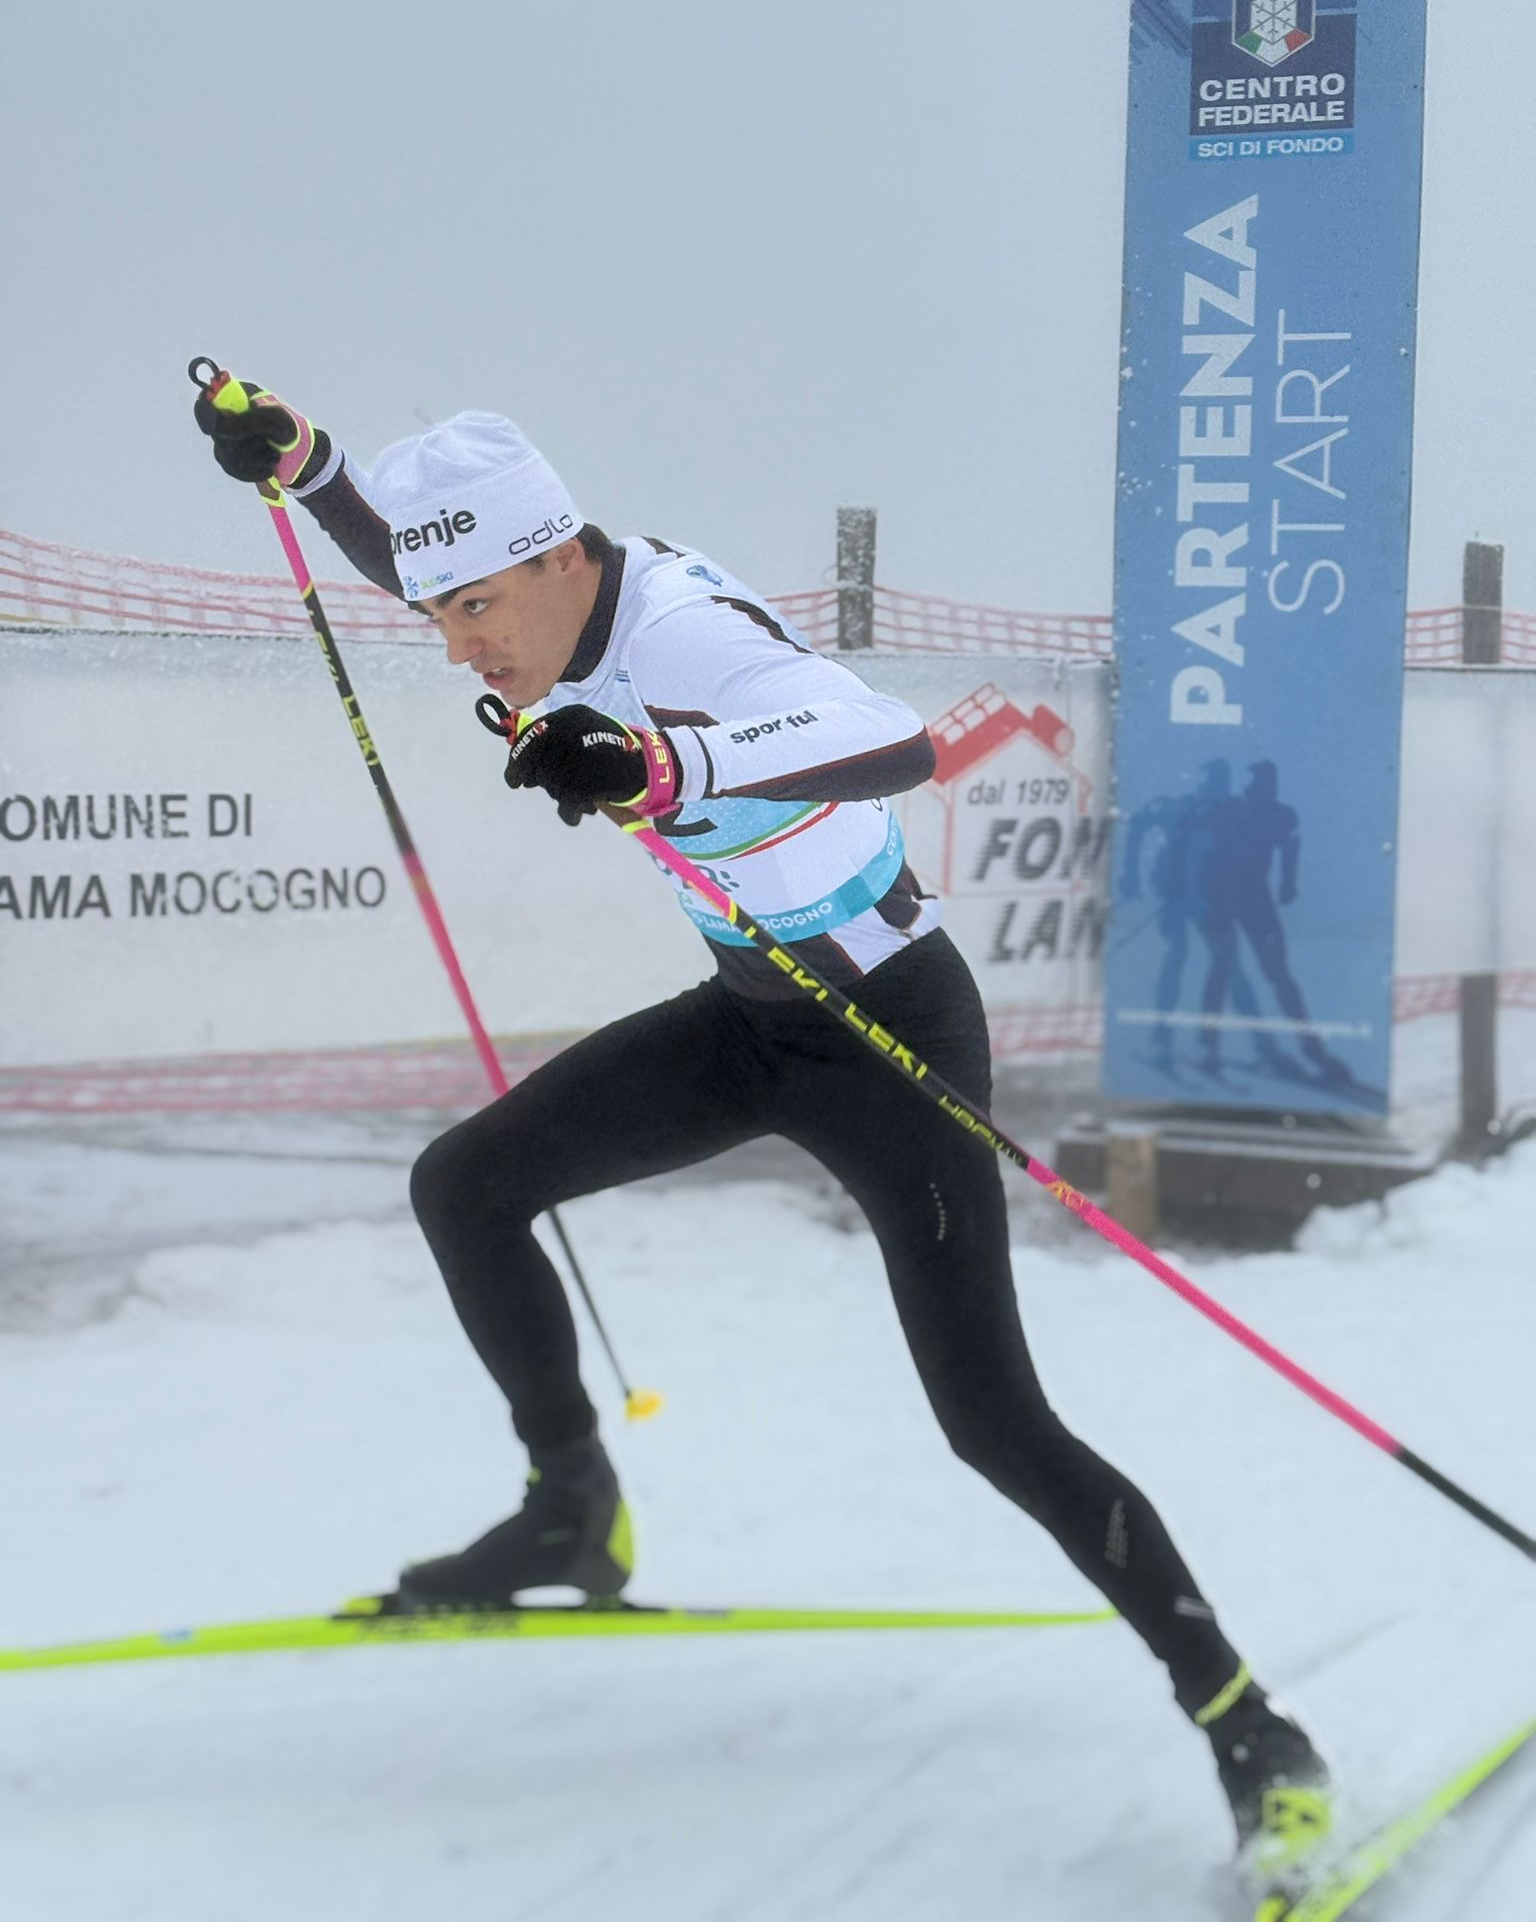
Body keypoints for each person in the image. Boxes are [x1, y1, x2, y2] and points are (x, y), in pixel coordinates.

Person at [193, 380, 1332, 1876]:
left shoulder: (684, 638)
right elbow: (427, 559)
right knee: (465, 1185)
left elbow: (895, 742)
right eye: (440, 614)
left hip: (890, 1031)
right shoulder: (550, 596)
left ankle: (1251, 1724)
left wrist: (666, 768)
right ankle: (570, 1509)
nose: (461, 649)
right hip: (752, 1021)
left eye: (474, 610)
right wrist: (309, 466)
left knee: (994, 1423)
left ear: (558, 556)